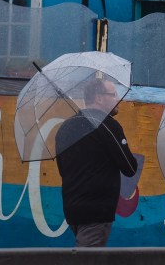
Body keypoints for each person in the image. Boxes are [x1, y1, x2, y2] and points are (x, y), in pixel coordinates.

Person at [55, 77, 138, 247]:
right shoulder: (108, 126)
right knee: (89, 260)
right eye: (113, 94)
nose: (118, 99)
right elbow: (129, 168)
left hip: (72, 209)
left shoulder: (65, 127)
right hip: (97, 210)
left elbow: (62, 169)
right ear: (99, 98)